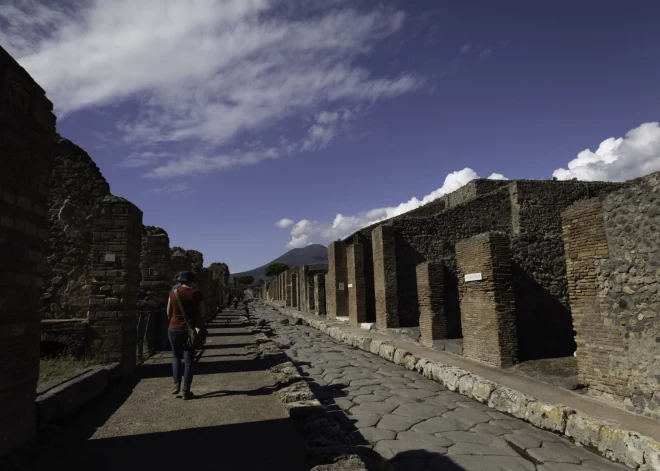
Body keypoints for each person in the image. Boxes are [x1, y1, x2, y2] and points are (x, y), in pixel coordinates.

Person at [166, 271, 205, 400]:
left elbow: (168, 312)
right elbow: (202, 313)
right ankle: (186, 391)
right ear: (191, 281)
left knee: (176, 356)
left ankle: (176, 383)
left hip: (173, 329)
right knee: (189, 360)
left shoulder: (173, 293)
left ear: (180, 281)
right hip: (191, 330)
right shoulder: (196, 293)